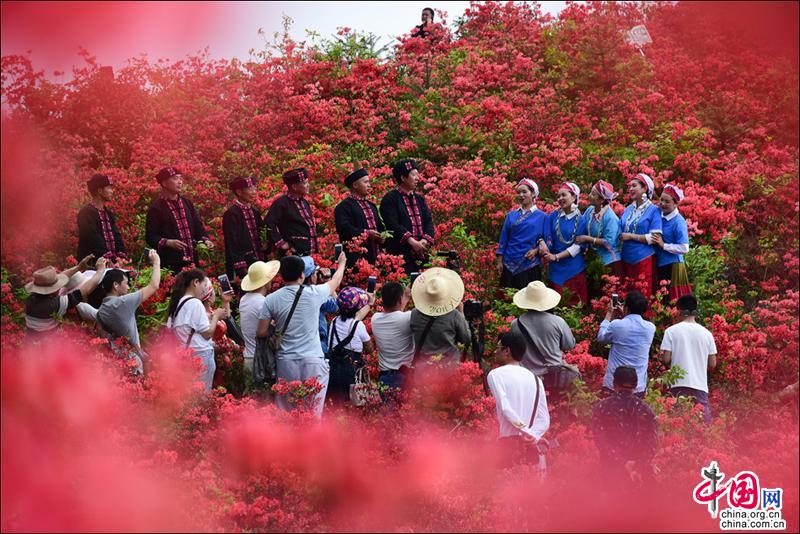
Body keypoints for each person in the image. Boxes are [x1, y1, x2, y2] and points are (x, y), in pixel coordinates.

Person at [256, 252, 348, 417]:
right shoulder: (314, 293)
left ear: (282, 276)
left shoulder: (271, 299)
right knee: (313, 410)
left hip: (286, 361)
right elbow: (336, 281)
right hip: (313, 359)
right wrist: (341, 263)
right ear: (302, 275)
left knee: (286, 411)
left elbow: (261, 332)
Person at [487, 331, 550, 467]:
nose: (494, 352)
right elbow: (544, 419)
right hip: (531, 448)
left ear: (507, 351)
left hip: (508, 446)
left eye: (498, 348)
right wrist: (533, 435)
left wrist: (526, 431)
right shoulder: (536, 379)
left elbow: (505, 408)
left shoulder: (495, 375)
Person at [95, 250, 162, 374]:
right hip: (131, 362)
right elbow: (154, 286)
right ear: (116, 285)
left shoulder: (103, 308)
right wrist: (156, 262)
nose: (128, 286)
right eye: (126, 283)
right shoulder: (121, 303)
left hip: (115, 361)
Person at [591, 366, 659, 484]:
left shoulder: (602, 408)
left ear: (614, 383)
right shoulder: (646, 410)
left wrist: (623, 462)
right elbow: (652, 444)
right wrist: (639, 464)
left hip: (610, 474)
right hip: (640, 476)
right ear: (636, 385)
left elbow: (601, 442)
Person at [167, 269, 231, 392]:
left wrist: (224, 304)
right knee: (202, 397)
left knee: (193, 396)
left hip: (190, 354)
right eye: (203, 285)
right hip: (201, 355)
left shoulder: (181, 302)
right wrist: (216, 316)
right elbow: (207, 334)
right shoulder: (195, 303)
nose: (203, 289)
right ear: (195, 282)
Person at [660, 294, 717, 423]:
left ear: (680, 311)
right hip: (699, 385)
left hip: (677, 385)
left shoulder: (671, 331)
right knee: (703, 426)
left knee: (678, 424)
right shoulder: (707, 334)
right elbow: (713, 363)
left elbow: (666, 359)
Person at [145, 166, 213, 272]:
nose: (180, 182)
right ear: (164, 183)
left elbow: (198, 227)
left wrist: (206, 240)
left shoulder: (187, 203)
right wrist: (168, 242)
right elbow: (150, 236)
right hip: (171, 264)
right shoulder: (156, 208)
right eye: (175, 178)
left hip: (193, 260)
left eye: (180, 178)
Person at [24, 255, 107, 338]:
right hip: (46, 345)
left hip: (30, 343)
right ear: (51, 291)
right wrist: (100, 271)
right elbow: (85, 290)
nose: (59, 287)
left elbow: (59, 278)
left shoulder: (31, 298)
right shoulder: (54, 304)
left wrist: (78, 267)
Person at [380, 159, 435, 275]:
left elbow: (429, 221)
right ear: (403, 178)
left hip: (422, 253)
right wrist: (412, 242)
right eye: (413, 175)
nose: (417, 178)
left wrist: (424, 241)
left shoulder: (420, 199)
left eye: (417, 174)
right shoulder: (390, 199)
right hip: (400, 255)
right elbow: (393, 225)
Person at [509, 281, 576, 376]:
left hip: (527, 375)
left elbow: (515, 350)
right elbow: (569, 345)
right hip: (553, 374)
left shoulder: (515, 324)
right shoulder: (558, 322)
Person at [597, 291, 655, 397]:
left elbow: (601, 337)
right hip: (638, 386)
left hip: (614, 385)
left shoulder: (617, 325)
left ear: (627, 308)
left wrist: (609, 314)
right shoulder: (650, 328)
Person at [409, 267, 470, 365]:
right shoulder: (454, 315)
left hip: (422, 368)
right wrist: (461, 312)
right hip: (447, 367)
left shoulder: (415, 314)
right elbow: (465, 339)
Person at [540, 182, 588, 305]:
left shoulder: (581, 220)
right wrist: (542, 242)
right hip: (555, 268)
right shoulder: (553, 216)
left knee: (574, 304)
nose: (560, 198)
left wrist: (556, 257)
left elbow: (578, 247)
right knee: (555, 304)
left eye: (563, 195)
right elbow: (543, 233)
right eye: (558, 196)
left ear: (573, 197)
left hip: (574, 267)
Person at [496, 178, 547, 289]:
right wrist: (499, 261)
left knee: (529, 301)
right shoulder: (511, 215)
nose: (521, 195)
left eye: (524, 192)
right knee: (507, 300)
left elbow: (547, 240)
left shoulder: (542, 217)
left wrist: (536, 251)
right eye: (519, 192)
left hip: (530, 264)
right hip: (509, 263)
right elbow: (503, 239)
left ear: (533, 194)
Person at [327, 287, 375, 405]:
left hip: (333, 369)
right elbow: (369, 349)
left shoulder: (334, 321)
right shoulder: (358, 325)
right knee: (353, 403)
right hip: (351, 371)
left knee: (335, 403)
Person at [619, 173, 662, 296]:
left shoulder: (654, 210)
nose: (630, 189)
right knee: (627, 293)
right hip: (626, 258)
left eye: (634, 186)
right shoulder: (628, 209)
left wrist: (631, 236)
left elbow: (655, 237)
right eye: (629, 186)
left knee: (642, 294)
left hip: (643, 260)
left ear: (645, 188)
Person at [334, 168, 385, 267]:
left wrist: (382, 236)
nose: (369, 185)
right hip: (356, 258)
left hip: (376, 256)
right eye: (365, 182)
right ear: (355, 185)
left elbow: (379, 226)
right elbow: (344, 229)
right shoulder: (343, 207)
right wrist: (366, 233)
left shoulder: (371, 205)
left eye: (369, 182)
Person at [238, 260, 280, 376]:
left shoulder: (244, 299)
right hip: (261, 360)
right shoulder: (263, 302)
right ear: (265, 282)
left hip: (248, 356)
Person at [372, 281, 415, 392]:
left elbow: (395, 314)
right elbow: (398, 315)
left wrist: (405, 296)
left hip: (384, 378)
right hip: (405, 377)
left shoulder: (375, 319)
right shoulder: (408, 317)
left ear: (382, 301)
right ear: (400, 300)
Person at [265, 168, 318, 257]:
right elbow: (268, 223)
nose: (308, 185)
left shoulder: (304, 202)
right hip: (292, 255)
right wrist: (281, 243)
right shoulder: (281, 203)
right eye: (305, 183)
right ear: (294, 187)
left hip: (308, 254)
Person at [576, 180, 622, 279]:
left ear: (601, 200)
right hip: (595, 260)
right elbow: (581, 225)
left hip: (610, 262)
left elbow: (609, 243)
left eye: (593, 194)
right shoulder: (590, 210)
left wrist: (588, 239)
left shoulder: (610, 218)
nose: (589, 195)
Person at [653, 183, 691, 301]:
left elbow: (684, 248)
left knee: (670, 301)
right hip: (660, 263)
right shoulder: (659, 215)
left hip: (672, 266)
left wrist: (664, 245)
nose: (663, 204)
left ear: (675, 204)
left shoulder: (678, 222)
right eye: (661, 200)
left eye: (667, 202)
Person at [223, 176, 266, 281]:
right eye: (250, 189)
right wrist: (242, 267)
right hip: (244, 264)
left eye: (254, 188)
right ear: (239, 191)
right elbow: (232, 242)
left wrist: (266, 244)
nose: (253, 192)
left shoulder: (255, 211)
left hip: (259, 260)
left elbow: (262, 231)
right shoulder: (231, 214)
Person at [77, 173, 127, 261]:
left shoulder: (109, 214)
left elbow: (117, 236)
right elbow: (93, 240)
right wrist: (108, 259)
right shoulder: (86, 213)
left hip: (112, 264)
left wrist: (121, 258)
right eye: (109, 188)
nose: (112, 191)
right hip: (93, 266)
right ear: (99, 190)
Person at [301, 256, 339, 357]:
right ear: (311, 275)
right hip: (317, 347)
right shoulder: (316, 294)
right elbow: (336, 306)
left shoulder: (289, 293)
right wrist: (328, 281)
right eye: (315, 273)